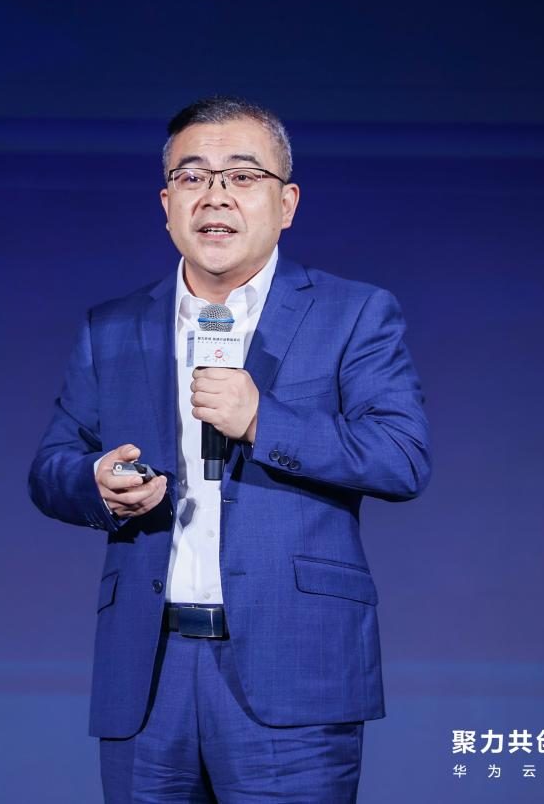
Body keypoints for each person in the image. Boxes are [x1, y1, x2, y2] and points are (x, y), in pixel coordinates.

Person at [28, 96, 431, 803]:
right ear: (167, 204)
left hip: (293, 673)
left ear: (287, 204)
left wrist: (261, 420)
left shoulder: (353, 313)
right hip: (148, 675)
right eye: (192, 177)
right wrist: (97, 482)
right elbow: (51, 467)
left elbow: (400, 456)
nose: (214, 195)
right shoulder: (114, 326)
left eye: (242, 177)